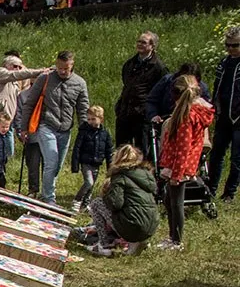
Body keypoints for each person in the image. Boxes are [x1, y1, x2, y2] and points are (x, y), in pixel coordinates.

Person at [14, 51, 90, 204]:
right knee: (51, 161)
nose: (62, 71)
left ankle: (47, 190)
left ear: (72, 65)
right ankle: (49, 198)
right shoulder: (45, 78)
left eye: (66, 69)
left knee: (57, 166)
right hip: (46, 125)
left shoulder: (79, 83)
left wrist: (85, 131)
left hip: (66, 129)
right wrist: (23, 128)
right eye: (59, 68)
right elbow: (30, 103)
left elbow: (83, 109)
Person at [157, 75, 214, 249]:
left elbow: (183, 148)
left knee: (176, 203)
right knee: (168, 200)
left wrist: (177, 173)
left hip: (179, 165)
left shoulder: (186, 117)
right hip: (181, 163)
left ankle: (176, 240)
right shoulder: (193, 112)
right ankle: (172, 236)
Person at [76, 145, 160, 257]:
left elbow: (115, 204)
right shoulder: (146, 176)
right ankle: (134, 242)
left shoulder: (120, 176)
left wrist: (106, 195)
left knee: (96, 203)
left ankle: (103, 245)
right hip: (151, 226)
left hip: (132, 225)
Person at [0, 51, 47, 150]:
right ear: (6, 65)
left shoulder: (14, 84)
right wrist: (41, 71)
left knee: (7, 154)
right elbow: (18, 75)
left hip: (7, 122)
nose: (18, 69)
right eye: (15, 66)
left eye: (20, 67)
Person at [116, 31, 167, 151]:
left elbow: (162, 91)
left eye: (143, 42)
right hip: (125, 112)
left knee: (142, 150)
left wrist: (154, 112)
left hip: (143, 115)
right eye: (138, 41)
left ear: (152, 46)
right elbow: (126, 84)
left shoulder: (158, 67)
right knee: (121, 149)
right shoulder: (129, 64)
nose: (139, 44)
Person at [208, 26, 240, 202]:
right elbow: (217, 88)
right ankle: (211, 188)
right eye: (227, 45)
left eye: (234, 45)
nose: (230, 49)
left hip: (239, 118)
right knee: (216, 154)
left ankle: (229, 193)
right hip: (223, 116)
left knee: (237, 157)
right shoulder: (224, 63)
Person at [70, 105, 114, 212]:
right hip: (86, 162)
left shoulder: (105, 134)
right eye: (89, 119)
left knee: (92, 185)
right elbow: (77, 148)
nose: (90, 121)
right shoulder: (84, 131)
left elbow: (109, 151)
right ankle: (77, 200)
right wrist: (75, 164)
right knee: (88, 182)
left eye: (93, 119)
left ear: (101, 119)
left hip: (97, 162)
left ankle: (85, 204)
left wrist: (111, 168)